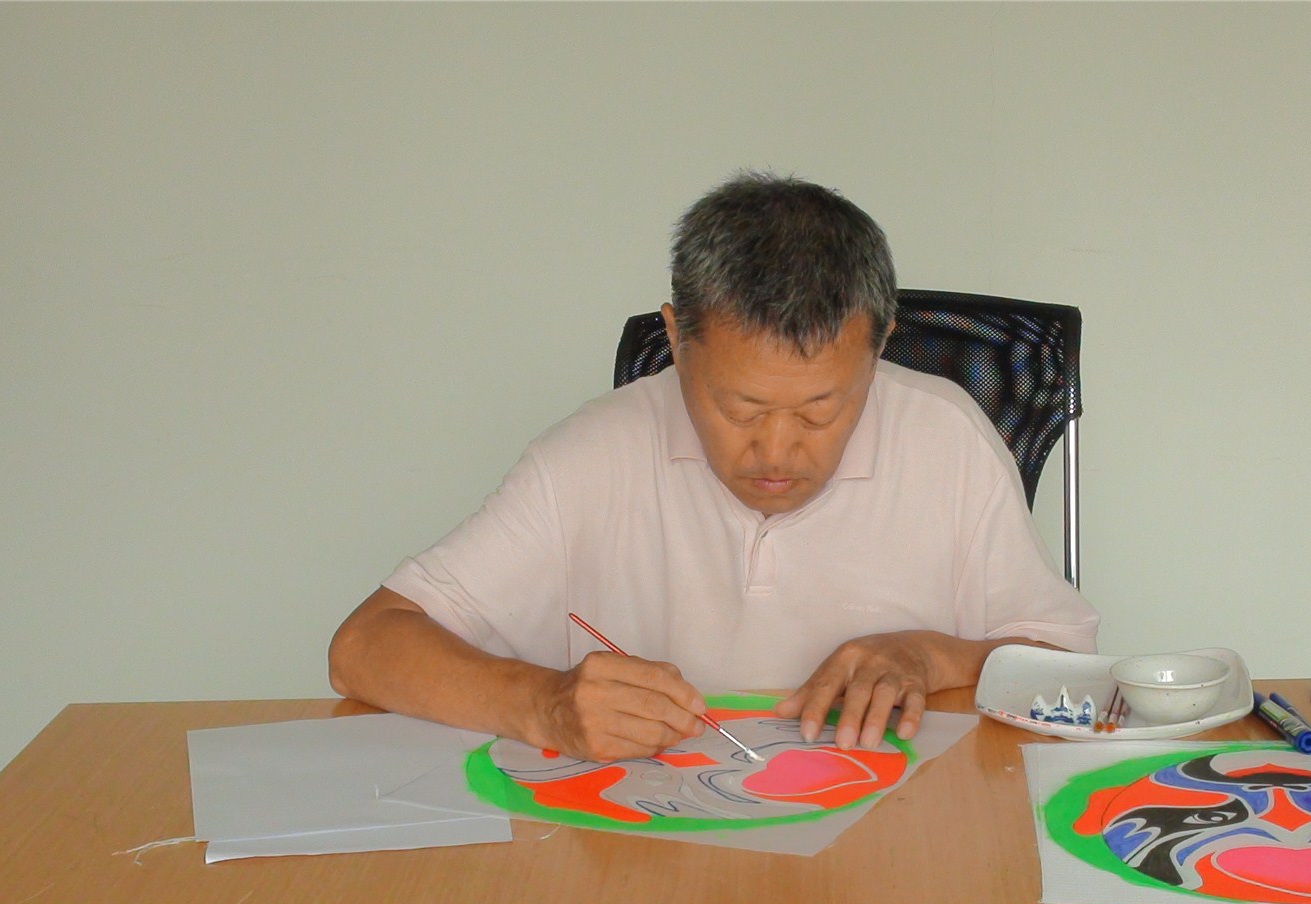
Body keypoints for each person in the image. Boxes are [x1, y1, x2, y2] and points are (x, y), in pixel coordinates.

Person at [329, 171, 1097, 761]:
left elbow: (1076, 678)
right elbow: (364, 645)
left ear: (879, 345)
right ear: (676, 337)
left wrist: (931, 656)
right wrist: (543, 703)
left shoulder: (948, 442)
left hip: (899, 866)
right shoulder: (590, 456)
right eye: (739, 407)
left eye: (821, 409)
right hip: (655, 869)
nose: (777, 451)